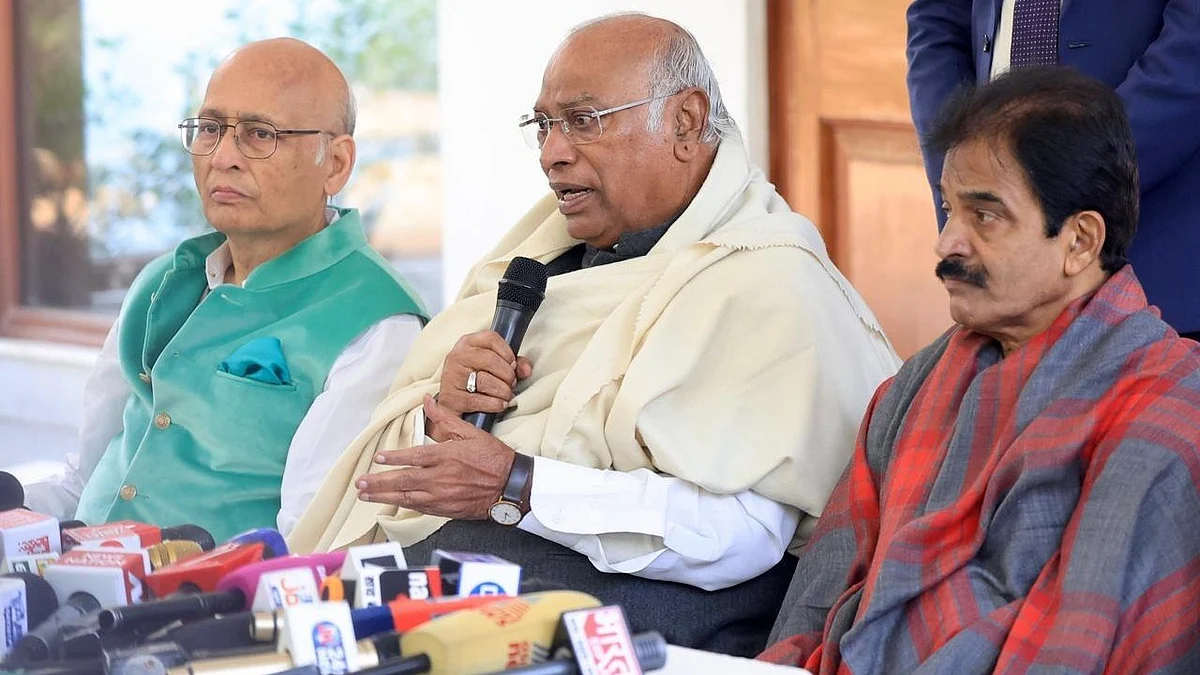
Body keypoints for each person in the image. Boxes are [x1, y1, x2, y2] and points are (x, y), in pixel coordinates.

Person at [287, 13, 899, 656]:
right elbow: (406, 458)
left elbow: (741, 533)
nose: (553, 152)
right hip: (455, 590)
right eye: (544, 125)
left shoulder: (769, 284)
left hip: (626, 635)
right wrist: (448, 407)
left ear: (685, 123)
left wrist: (519, 484)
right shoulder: (540, 252)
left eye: (583, 121)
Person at [762, 67, 1200, 673]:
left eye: (984, 216)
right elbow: (823, 586)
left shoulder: (1166, 414)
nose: (947, 243)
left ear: (1080, 240)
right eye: (949, 209)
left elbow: (1072, 647)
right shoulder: (916, 385)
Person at [22, 38, 428, 543]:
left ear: (337, 163)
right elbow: (84, 479)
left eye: (260, 134)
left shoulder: (376, 322)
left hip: (208, 607)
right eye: (211, 129)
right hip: (71, 575)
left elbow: (310, 540)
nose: (224, 157)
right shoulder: (161, 282)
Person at [905, 0, 1200, 339]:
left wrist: (1055, 189)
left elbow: (1189, 54)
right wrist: (972, 193)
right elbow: (937, 24)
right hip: (998, 287)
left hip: (1162, 261)